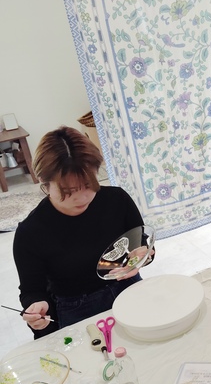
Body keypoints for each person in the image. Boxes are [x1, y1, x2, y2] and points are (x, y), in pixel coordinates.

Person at [13, 126, 151, 339]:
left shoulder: (117, 200)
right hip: (76, 307)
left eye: (89, 184)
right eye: (68, 191)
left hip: (128, 289)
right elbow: (32, 290)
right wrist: (37, 307)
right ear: (44, 183)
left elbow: (140, 242)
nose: (82, 197)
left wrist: (143, 254)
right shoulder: (31, 232)